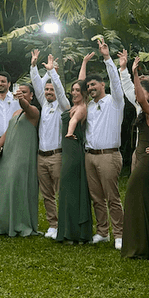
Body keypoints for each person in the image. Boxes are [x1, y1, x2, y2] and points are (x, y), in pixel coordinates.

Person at [77, 39, 125, 248]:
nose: (90, 87)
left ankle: (120, 234)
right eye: (89, 86)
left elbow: (116, 81)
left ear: (102, 85)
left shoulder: (115, 102)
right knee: (96, 197)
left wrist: (107, 57)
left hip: (108, 155)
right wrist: (83, 68)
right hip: (90, 156)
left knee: (112, 197)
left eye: (94, 84)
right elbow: (79, 87)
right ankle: (102, 232)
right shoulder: (87, 105)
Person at [121, 57, 149, 260]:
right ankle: (144, 244)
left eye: (142, 90)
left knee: (132, 195)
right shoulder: (145, 109)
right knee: (143, 201)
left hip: (148, 160)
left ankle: (140, 246)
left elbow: (139, 98)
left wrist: (135, 74)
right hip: (139, 154)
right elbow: (134, 95)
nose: (139, 95)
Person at [0, 82, 41, 236]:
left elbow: (25, 106)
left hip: (22, 155)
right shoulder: (15, 113)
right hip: (8, 154)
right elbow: (7, 131)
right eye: (20, 92)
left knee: (14, 185)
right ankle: (3, 223)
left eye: (25, 92)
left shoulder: (33, 112)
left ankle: (18, 223)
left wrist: (20, 99)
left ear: (31, 95)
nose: (22, 94)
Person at [29, 50, 70, 239]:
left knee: (61, 192)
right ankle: (52, 224)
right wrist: (33, 66)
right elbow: (37, 84)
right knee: (47, 194)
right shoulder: (44, 104)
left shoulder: (63, 105)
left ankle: (63, 223)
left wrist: (53, 72)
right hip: (41, 156)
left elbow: (60, 91)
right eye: (46, 90)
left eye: (51, 90)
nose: (48, 92)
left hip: (57, 155)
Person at [55, 80, 92, 243]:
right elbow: (81, 79)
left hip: (74, 151)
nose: (74, 93)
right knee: (66, 189)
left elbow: (73, 121)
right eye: (73, 90)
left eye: (78, 90)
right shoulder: (75, 105)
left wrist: (69, 133)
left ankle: (73, 232)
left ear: (84, 92)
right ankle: (67, 230)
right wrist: (84, 62)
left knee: (70, 189)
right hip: (68, 151)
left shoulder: (82, 108)